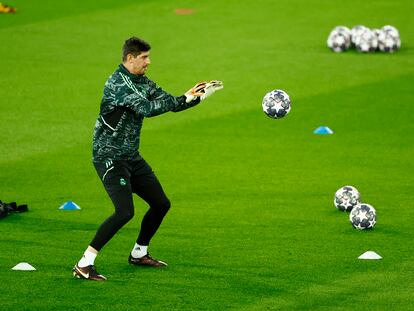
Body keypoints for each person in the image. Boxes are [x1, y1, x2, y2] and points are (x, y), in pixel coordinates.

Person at [73, 37, 223, 281]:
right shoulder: (118, 84)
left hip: (131, 157)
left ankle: (139, 253)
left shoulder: (142, 81)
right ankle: (84, 263)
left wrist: (195, 97)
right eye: (144, 57)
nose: (149, 62)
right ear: (130, 58)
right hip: (109, 157)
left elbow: (170, 103)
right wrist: (182, 98)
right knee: (124, 212)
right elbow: (147, 108)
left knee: (161, 203)